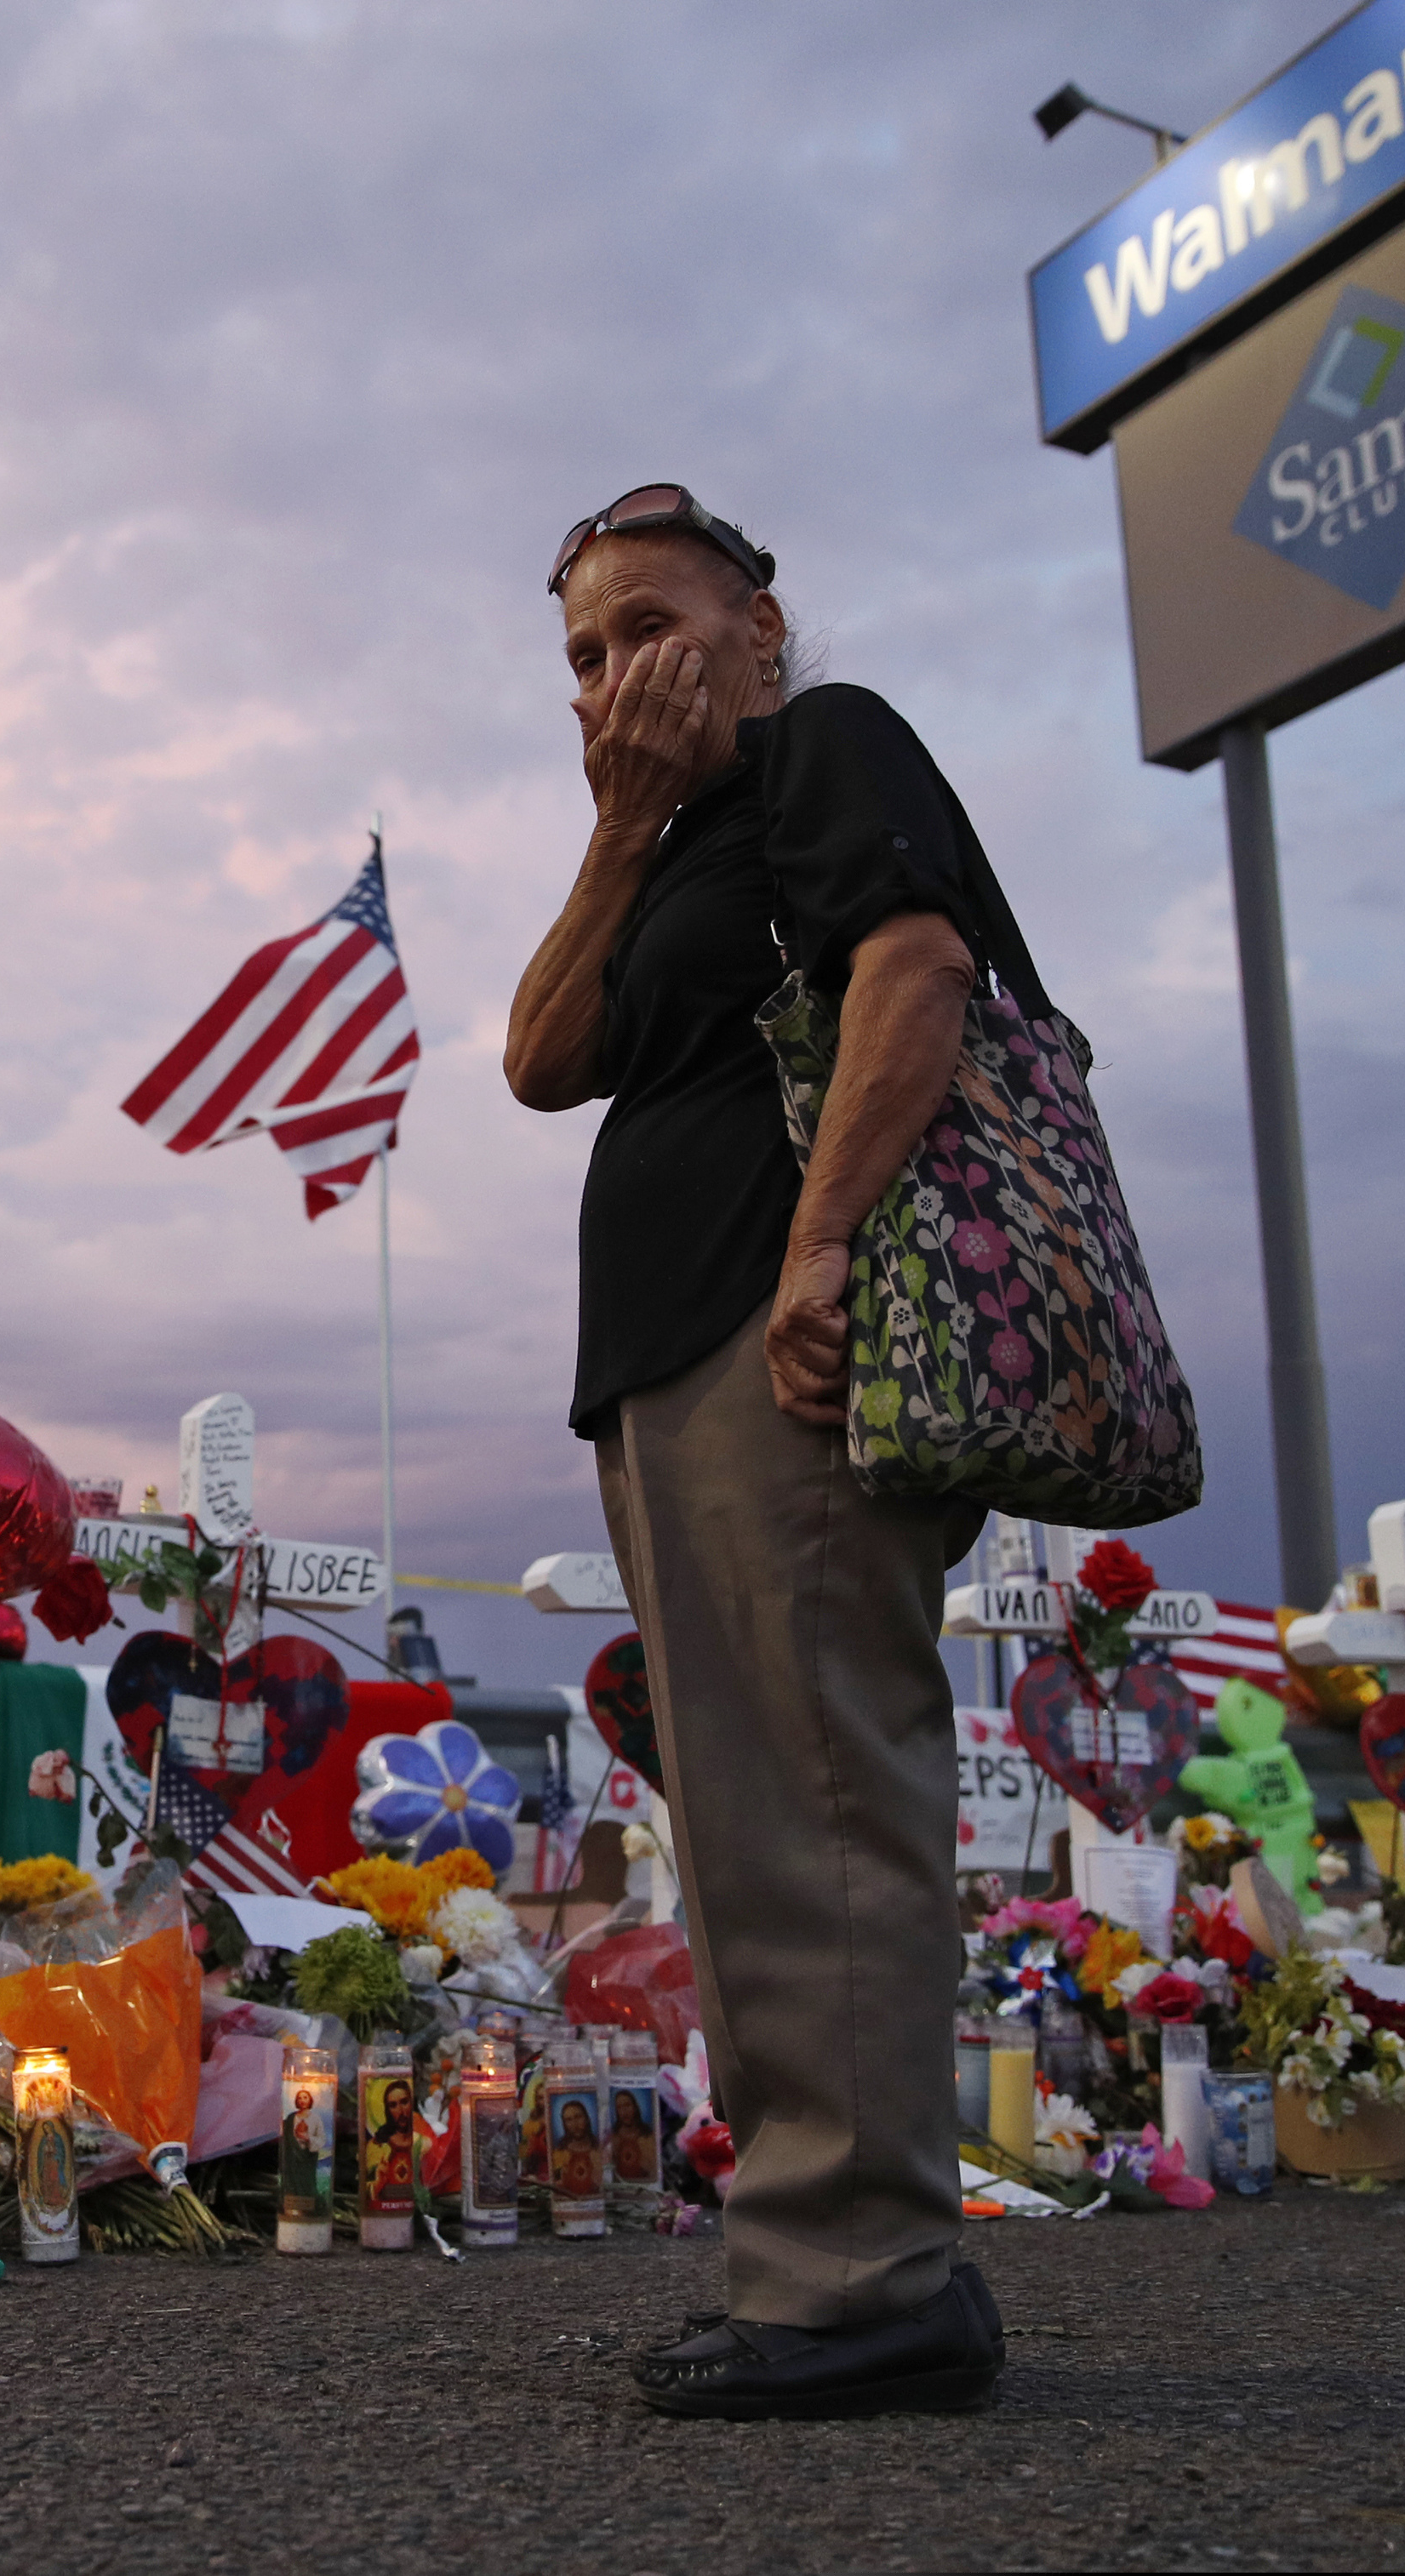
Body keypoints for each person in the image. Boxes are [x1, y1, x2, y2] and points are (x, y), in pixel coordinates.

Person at [505, 484, 1048, 2422]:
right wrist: (622, 820)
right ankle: (821, 2259)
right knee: (742, 1814)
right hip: (663, 1360)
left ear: (759, 622)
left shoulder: (833, 744)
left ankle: (875, 2272)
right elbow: (539, 1053)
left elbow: (915, 973)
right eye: (583, 651)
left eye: (654, 624)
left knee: (823, 1785)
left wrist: (820, 1247)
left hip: (781, 1335)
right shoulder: (665, 844)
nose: (616, 671)